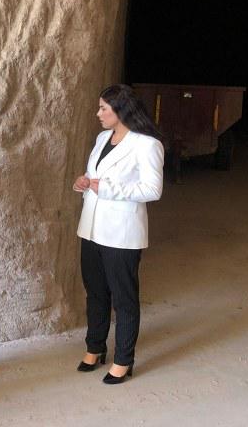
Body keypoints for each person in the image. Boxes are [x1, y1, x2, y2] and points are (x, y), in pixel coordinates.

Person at [72, 84, 164, 384]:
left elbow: (152, 189)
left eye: (104, 109)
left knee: (124, 299)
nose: (98, 113)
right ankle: (95, 347)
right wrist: (84, 182)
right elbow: (97, 176)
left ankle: (124, 359)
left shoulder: (147, 144)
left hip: (121, 233)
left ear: (121, 110)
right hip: (92, 227)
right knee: (96, 292)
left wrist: (108, 188)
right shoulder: (103, 138)